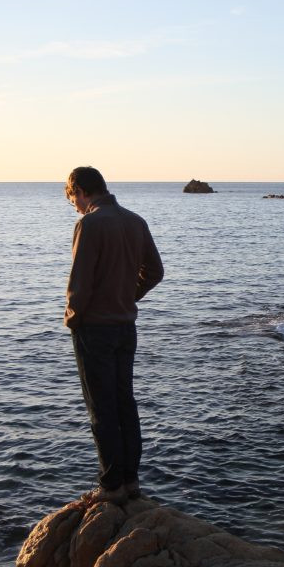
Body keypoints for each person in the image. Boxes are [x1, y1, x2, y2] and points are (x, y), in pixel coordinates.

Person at [63, 166, 164, 504]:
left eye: (72, 198)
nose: (74, 205)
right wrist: (127, 296)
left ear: (80, 190)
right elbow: (154, 271)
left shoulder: (89, 224)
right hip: (125, 326)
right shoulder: (135, 221)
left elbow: (80, 283)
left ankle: (110, 486)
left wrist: (73, 319)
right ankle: (131, 481)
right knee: (124, 403)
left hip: (95, 327)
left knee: (100, 408)